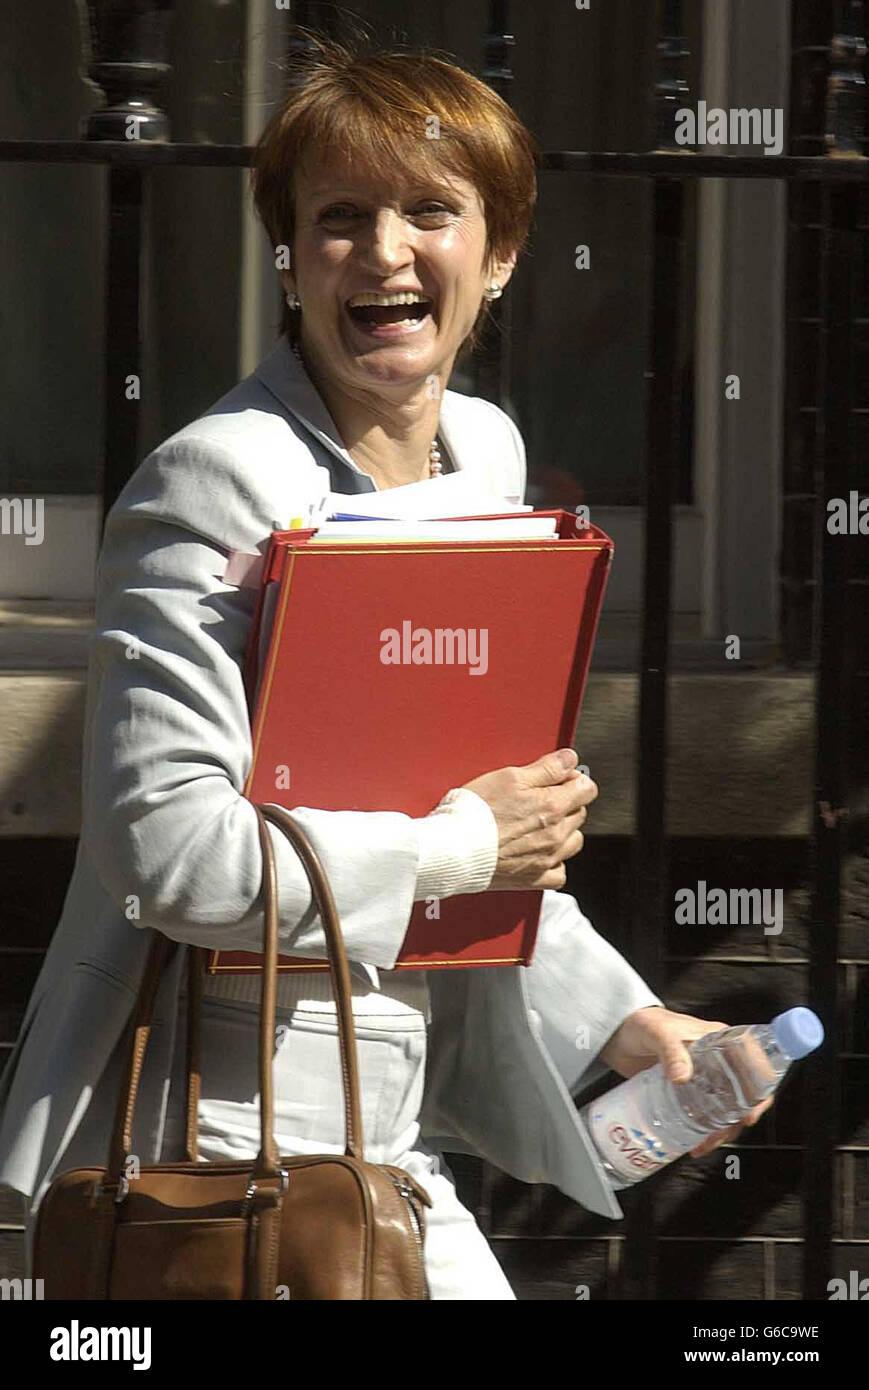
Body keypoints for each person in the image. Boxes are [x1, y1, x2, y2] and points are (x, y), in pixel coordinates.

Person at [0, 36, 771, 1300]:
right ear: (292, 256)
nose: (385, 250)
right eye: (340, 217)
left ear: (502, 252)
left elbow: (472, 819)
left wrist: (623, 1019)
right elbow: (168, 848)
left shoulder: (485, 458)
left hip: (386, 1141)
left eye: (431, 211)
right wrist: (466, 843)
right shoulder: (214, 481)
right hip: (217, 1146)